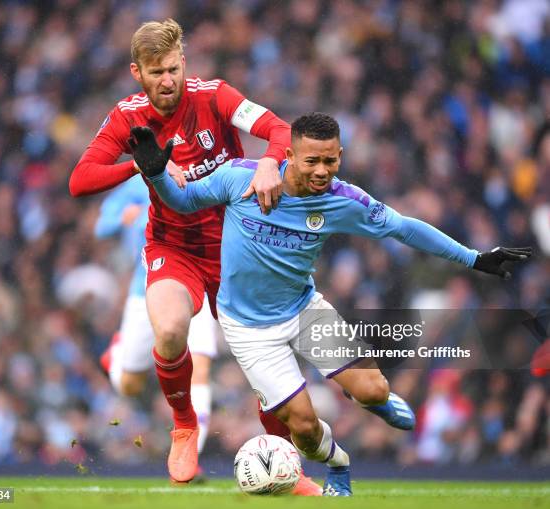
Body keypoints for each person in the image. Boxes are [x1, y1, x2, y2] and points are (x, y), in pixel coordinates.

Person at [131, 112, 532, 496]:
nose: (323, 170)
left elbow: (405, 229)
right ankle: (339, 462)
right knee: (304, 428)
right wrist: (155, 173)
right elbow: (183, 202)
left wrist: (475, 258)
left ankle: (376, 399)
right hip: (250, 330)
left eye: (331, 160)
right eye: (312, 161)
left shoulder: (343, 200)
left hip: (305, 311)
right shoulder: (240, 179)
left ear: (340, 155)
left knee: (373, 391)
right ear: (287, 156)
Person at [69, 18, 326, 492]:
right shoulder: (127, 117)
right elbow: (80, 179)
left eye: (173, 69)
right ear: (137, 73)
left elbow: (280, 129)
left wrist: (270, 161)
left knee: (265, 365)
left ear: (183, 62)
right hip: (174, 247)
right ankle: (184, 425)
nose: (167, 81)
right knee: (168, 330)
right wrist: (138, 166)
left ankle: (290, 470)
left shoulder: (214, 96)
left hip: (236, 250)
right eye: (155, 72)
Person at [93, 177, 218, 460]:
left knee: (199, 368)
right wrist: (124, 218)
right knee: (129, 385)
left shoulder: (208, 171)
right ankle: (117, 355)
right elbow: (101, 225)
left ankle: (190, 456)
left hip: (198, 283)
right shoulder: (139, 182)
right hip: (148, 288)